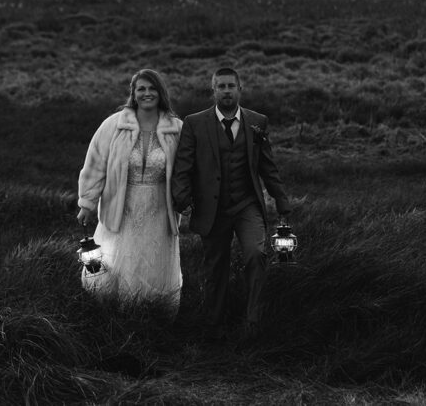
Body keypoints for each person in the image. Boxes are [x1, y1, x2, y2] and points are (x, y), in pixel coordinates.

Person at [171, 67, 293, 342]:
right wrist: (183, 198)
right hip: (212, 207)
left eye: (231, 86)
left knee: (256, 254)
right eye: (221, 86)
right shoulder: (195, 122)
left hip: (247, 204)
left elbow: (267, 166)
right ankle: (213, 324)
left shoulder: (257, 121)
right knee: (215, 266)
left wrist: (282, 201)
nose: (226, 91)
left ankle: (253, 322)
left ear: (240, 89)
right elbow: (183, 166)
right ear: (213, 90)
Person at [76, 69, 183, 314]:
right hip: (120, 205)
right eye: (141, 89)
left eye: (152, 88)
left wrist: (190, 201)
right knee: (117, 261)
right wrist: (87, 203)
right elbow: (95, 163)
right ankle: (114, 313)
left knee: (152, 262)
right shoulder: (114, 125)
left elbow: (189, 169)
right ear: (133, 93)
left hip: (159, 207)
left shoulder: (176, 128)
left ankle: (151, 313)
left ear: (160, 92)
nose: (147, 93)